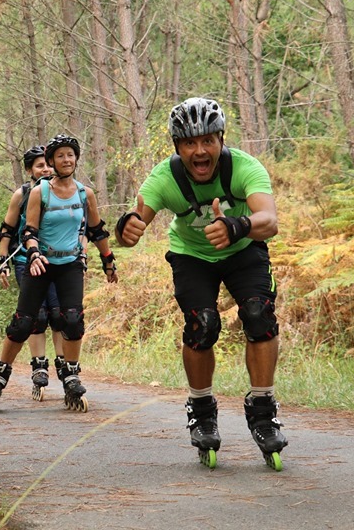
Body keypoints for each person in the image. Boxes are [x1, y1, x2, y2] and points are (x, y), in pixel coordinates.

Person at [115, 97, 287, 470]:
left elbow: (269, 220)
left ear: (221, 140)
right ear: (177, 148)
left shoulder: (244, 167)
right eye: (190, 143)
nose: (200, 151)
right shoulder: (164, 177)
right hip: (191, 256)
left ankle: (262, 409)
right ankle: (202, 409)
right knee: (202, 324)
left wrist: (237, 225)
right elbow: (135, 223)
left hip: (243, 249)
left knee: (259, 316)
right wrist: (127, 231)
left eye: (208, 140)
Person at [0, 134, 117, 413]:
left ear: (76, 158)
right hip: (40, 263)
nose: (67, 160)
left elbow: (97, 230)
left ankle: (72, 374)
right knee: (24, 321)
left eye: (71, 155)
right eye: (61, 156)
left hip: (70, 264)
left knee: (73, 320)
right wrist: (33, 252)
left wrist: (108, 260)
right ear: (51, 161)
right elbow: (29, 231)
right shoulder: (39, 192)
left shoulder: (84, 193)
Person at [0, 145, 67, 400]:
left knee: (59, 313)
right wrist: (3, 261)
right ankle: (39, 366)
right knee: (36, 314)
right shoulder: (22, 193)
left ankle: (63, 365)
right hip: (26, 260)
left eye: (47, 164)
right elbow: (7, 229)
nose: (46, 169)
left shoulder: (64, 191)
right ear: (29, 170)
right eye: (39, 166)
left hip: (58, 261)